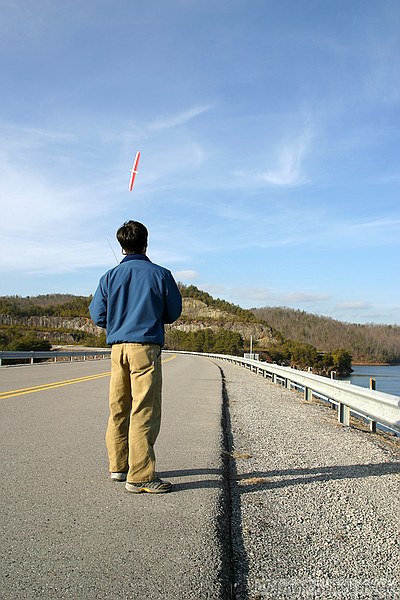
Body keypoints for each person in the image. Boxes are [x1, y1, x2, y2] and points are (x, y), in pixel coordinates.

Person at [89, 220, 182, 494]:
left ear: (122, 246)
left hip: (117, 350)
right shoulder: (161, 274)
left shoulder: (108, 277)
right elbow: (173, 313)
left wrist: (119, 323)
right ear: (145, 243)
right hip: (145, 350)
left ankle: (118, 467)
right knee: (144, 410)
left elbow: (98, 315)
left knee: (118, 408)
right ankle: (140, 476)